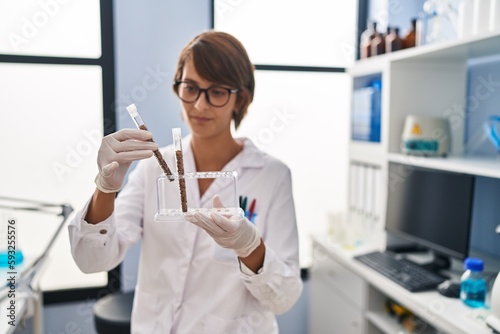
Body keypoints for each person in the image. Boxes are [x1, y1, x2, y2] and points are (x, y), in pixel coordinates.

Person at [68, 30, 302, 333]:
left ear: (240, 98)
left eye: (217, 91)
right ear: (177, 86)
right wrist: (105, 187)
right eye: (191, 87)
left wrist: (249, 246)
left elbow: (284, 298)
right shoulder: (154, 168)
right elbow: (92, 259)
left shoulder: (271, 176)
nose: (200, 106)